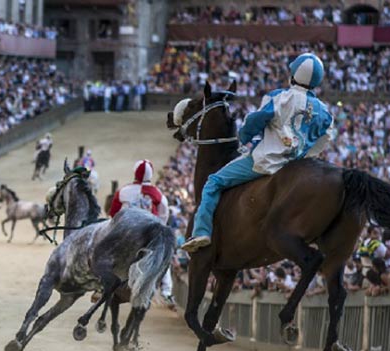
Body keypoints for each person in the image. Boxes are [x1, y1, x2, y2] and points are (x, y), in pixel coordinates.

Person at [181, 53, 336, 253]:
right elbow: (326, 138)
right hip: (294, 167)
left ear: (293, 74)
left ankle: (201, 231)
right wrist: (305, 156)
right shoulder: (324, 112)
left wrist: (245, 139)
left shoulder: (278, 97)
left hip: (264, 162)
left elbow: (254, 121)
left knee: (213, 182)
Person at [109, 160, 174, 305]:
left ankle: (101, 285)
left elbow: (113, 213)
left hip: (126, 233)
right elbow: (164, 214)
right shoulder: (157, 193)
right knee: (164, 257)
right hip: (150, 236)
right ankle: (166, 292)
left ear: (135, 173)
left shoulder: (124, 191)